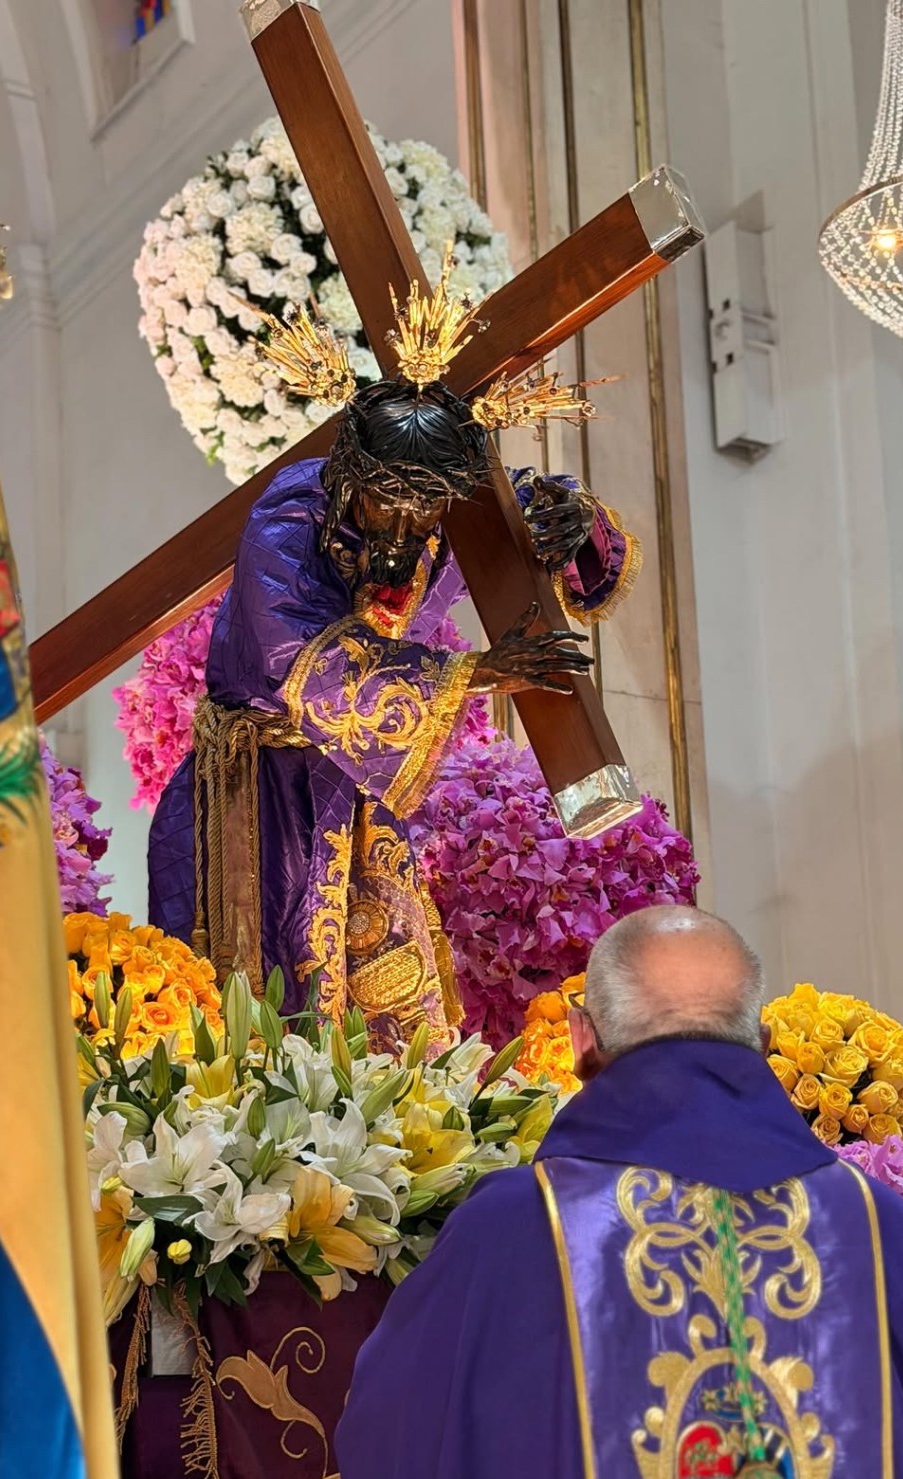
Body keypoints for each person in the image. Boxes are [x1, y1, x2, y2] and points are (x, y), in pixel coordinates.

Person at [336, 906, 903, 1479]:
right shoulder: (879, 1236)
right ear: (758, 1040)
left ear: (580, 1040)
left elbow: (392, 1445)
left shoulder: (512, 1238)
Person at [148, 279, 640, 1055]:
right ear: (349, 470)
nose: (406, 524)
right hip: (259, 800)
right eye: (386, 501)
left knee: (388, 1022)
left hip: (365, 794)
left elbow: (584, 566)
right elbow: (291, 656)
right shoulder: (292, 512)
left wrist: (573, 525)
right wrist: (477, 675)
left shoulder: (458, 506)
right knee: (255, 1022)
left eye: (427, 506)